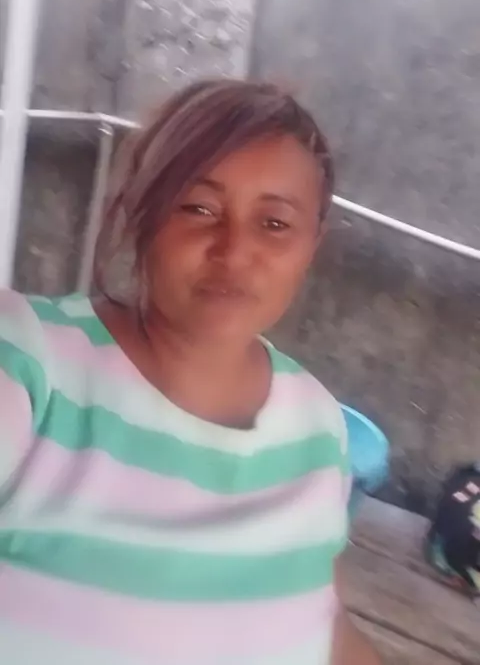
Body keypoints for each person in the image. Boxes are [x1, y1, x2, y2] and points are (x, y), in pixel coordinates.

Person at [0, 79, 381, 664]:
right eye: (198, 209)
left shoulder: (318, 426)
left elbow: (320, 617)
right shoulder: (28, 364)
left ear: (313, 243)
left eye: (274, 223)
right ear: (142, 214)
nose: (233, 250)